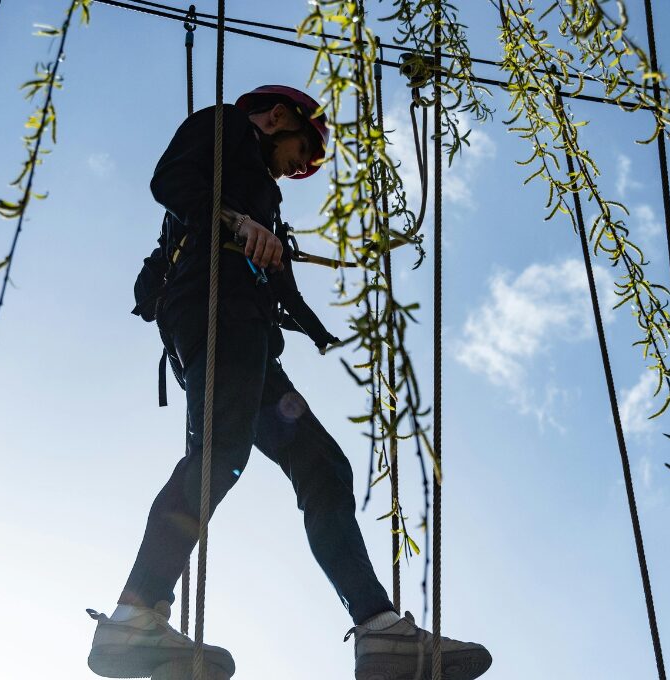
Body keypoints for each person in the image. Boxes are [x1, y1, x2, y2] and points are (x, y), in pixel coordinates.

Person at [87, 85, 492, 680]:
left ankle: (380, 632)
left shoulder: (257, 194)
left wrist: (317, 329)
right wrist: (237, 220)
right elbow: (169, 182)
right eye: (301, 150)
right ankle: (134, 618)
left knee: (323, 467)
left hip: (243, 333)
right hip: (215, 314)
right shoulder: (223, 128)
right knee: (219, 452)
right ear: (277, 117)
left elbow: (252, 276)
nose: (300, 167)